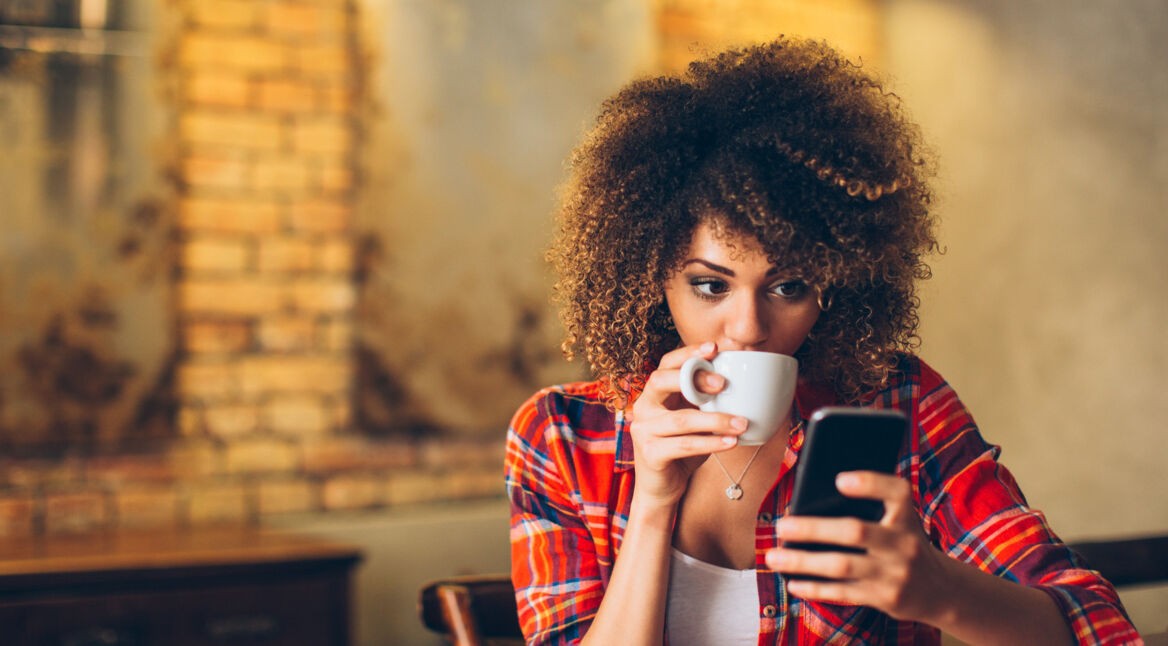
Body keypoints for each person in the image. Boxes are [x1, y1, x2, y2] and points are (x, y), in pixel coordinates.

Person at [504, 37, 1138, 645]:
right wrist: (651, 504)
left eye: (788, 287)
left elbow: (1095, 625)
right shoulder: (562, 437)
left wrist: (939, 590)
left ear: (838, 285)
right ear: (650, 275)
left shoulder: (896, 403)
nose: (748, 327)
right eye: (709, 286)